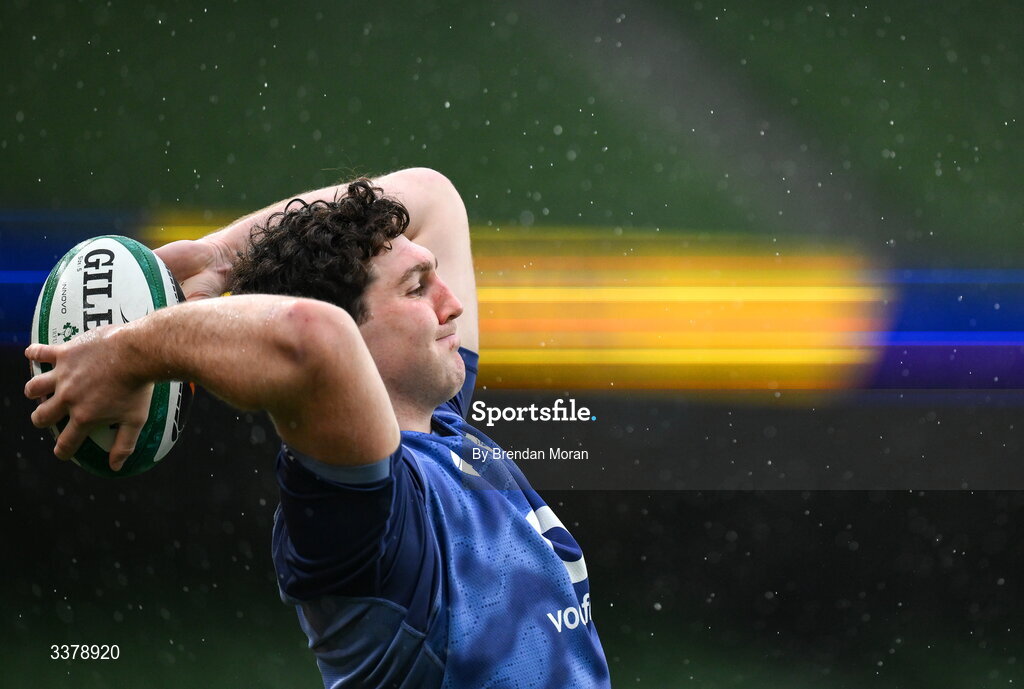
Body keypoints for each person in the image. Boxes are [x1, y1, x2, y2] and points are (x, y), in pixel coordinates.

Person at [23, 168, 610, 688]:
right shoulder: (367, 513)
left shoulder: (443, 422)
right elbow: (313, 338)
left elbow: (433, 196)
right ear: (356, 336)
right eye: (415, 287)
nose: (451, 302)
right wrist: (128, 352)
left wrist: (224, 257)